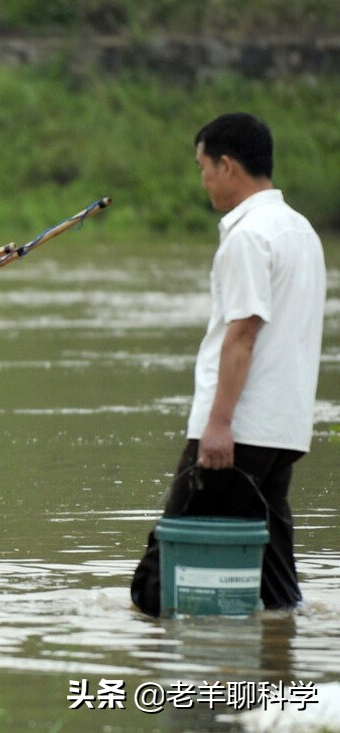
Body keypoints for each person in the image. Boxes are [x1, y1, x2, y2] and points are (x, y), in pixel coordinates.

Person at [130, 113, 326, 616]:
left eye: (203, 168)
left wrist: (217, 424)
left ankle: (167, 663)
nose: (203, 180)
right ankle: (281, 656)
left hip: (236, 432)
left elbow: (242, 335)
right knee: (276, 585)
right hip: (284, 431)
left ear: (227, 165)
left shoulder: (248, 236)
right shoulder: (300, 231)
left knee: (156, 581)